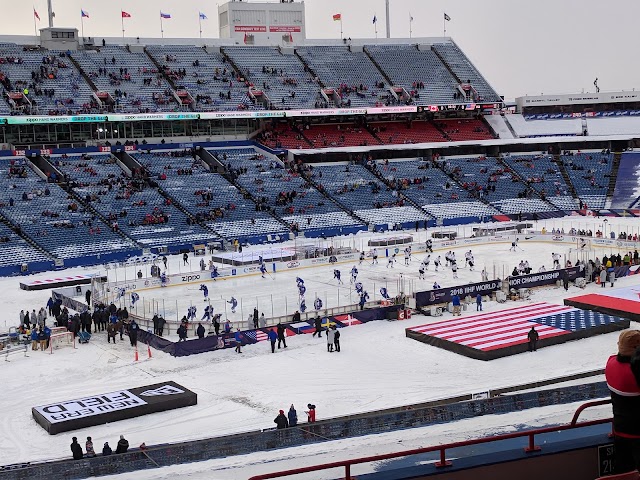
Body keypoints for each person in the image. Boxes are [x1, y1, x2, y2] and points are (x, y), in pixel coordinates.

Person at [605, 330, 640, 474]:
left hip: (620, 431)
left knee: (624, 472)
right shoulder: (634, 375)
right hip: (638, 435)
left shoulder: (611, 364)